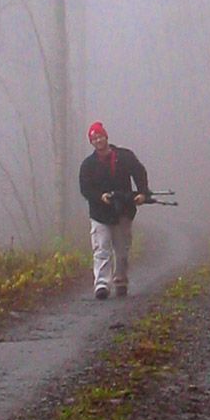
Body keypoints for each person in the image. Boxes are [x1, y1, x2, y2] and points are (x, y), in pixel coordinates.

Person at [78, 121, 149, 299]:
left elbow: (139, 173)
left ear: (106, 137)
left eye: (100, 136)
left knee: (122, 250)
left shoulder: (125, 156)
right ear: (91, 142)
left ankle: (121, 280)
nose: (98, 140)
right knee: (101, 248)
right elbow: (85, 189)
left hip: (123, 211)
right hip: (99, 214)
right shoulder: (88, 165)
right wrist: (100, 197)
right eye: (94, 138)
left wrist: (142, 193)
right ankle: (101, 284)